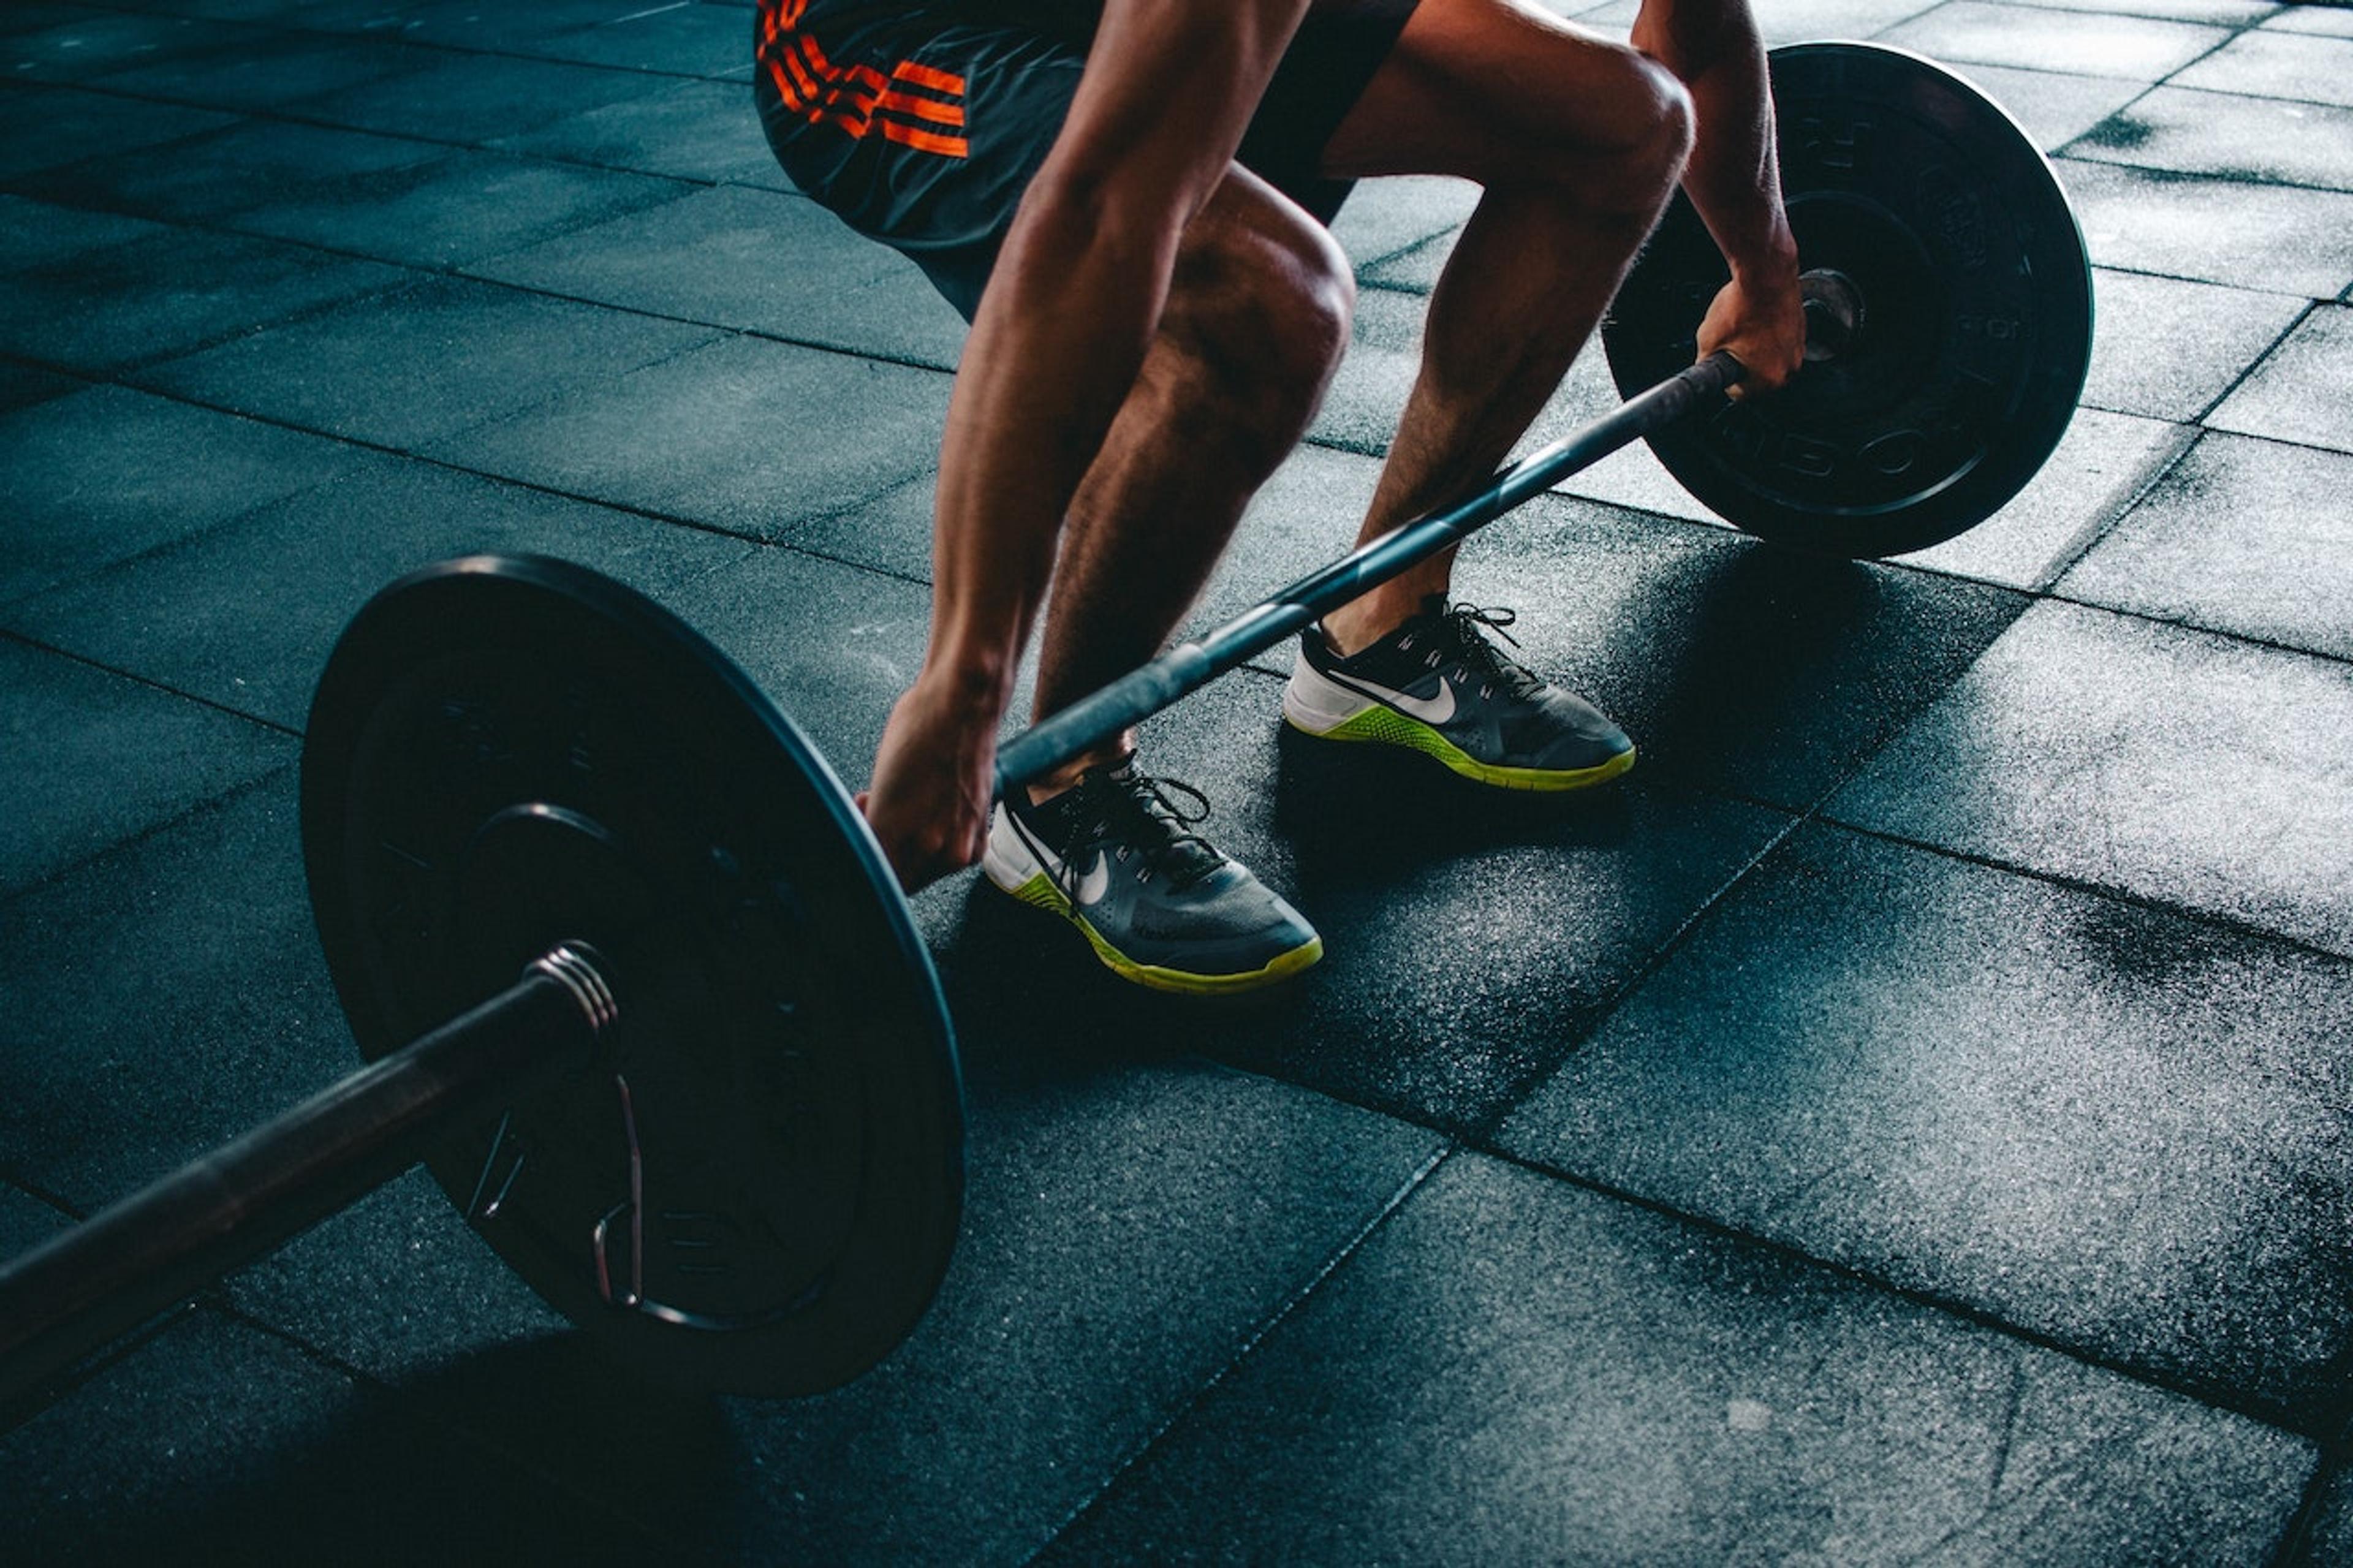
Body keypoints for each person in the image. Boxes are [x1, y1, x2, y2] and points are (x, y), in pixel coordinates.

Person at [754, 0, 1804, 993]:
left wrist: (1764, 271)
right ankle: (1062, 785)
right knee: (1269, 300)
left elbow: (1696, 34)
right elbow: (1105, 208)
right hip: (894, 33)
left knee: (1622, 126)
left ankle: (1380, 625)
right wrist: (963, 685)